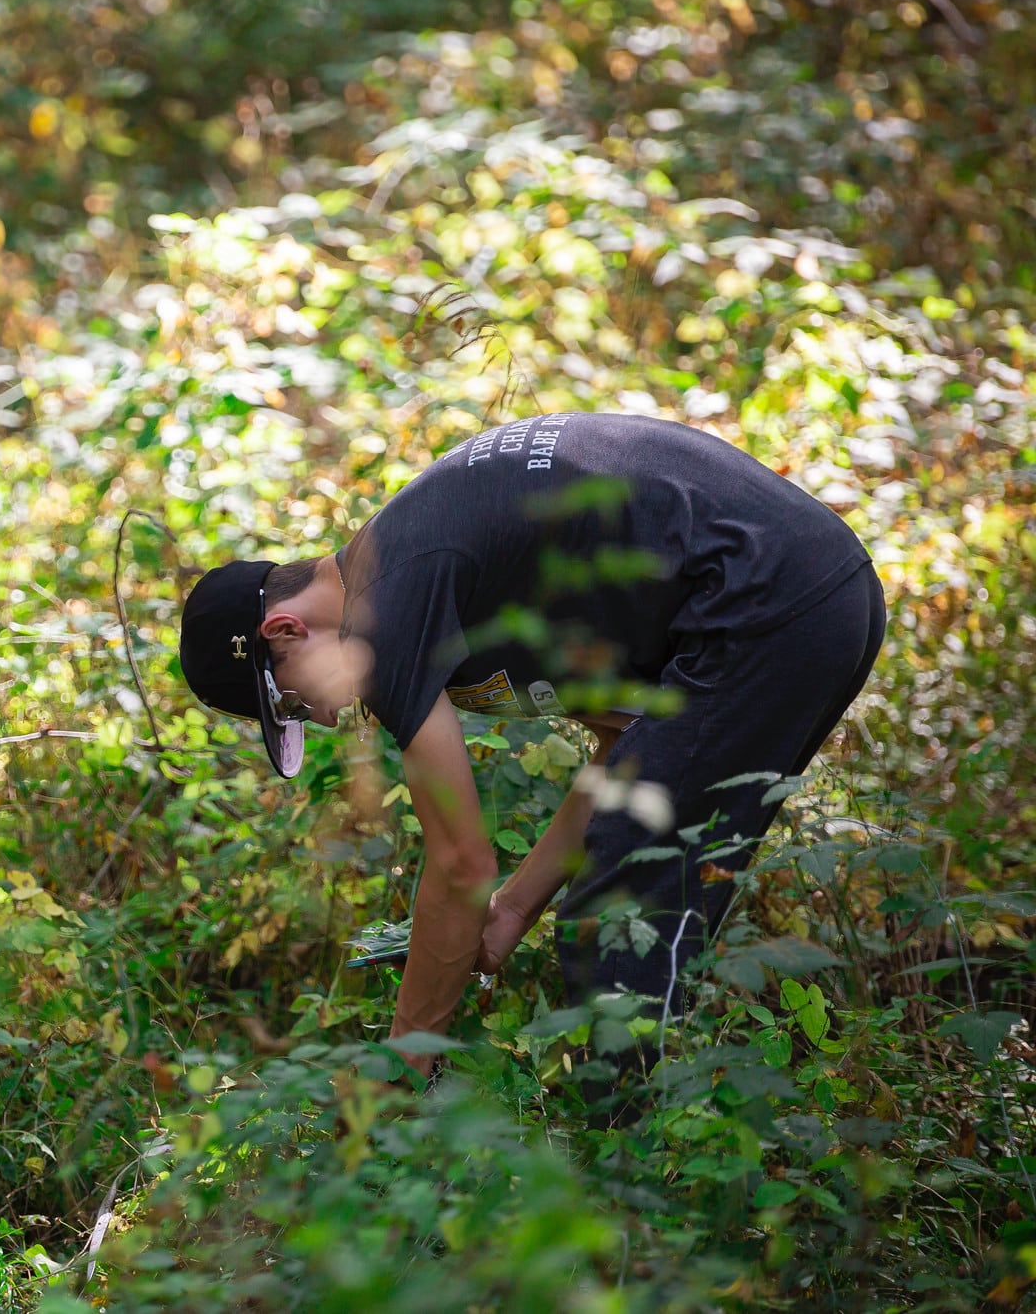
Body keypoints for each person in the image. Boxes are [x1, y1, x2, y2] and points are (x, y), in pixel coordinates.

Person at [178, 411, 884, 1080]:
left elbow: (459, 864)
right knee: (634, 881)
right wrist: (515, 907)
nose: (326, 718)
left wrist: (402, 1064)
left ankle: (630, 1179)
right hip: (816, 590)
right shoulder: (413, 578)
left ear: (285, 632)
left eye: (295, 701)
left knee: (615, 916)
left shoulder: (387, 609)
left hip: (770, 598)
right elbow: (624, 741)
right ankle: (656, 1150)